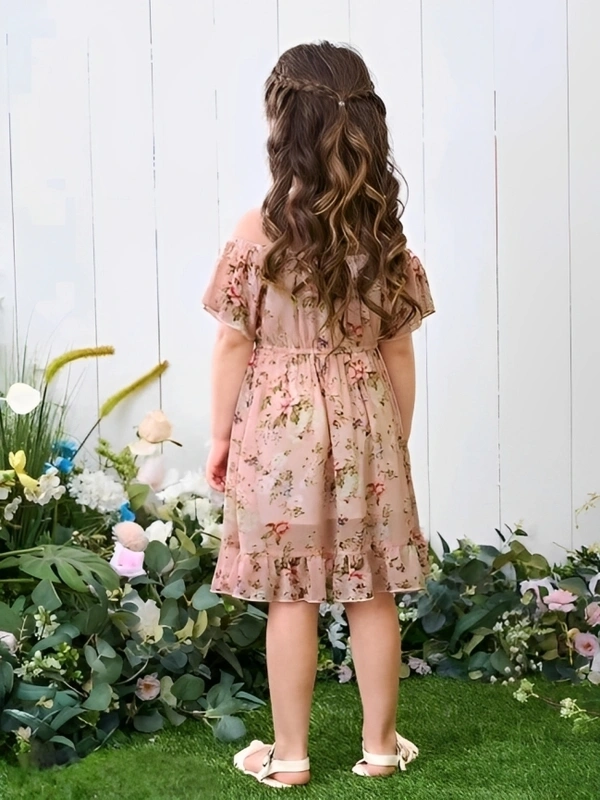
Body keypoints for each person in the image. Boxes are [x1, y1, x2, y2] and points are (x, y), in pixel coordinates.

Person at [202, 41, 435, 790]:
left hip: (278, 429)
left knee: (291, 591)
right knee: (372, 588)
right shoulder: (384, 233)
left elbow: (233, 342)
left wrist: (219, 437)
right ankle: (380, 746)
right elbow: (398, 350)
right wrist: (393, 438)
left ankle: (291, 755)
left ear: (285, 126)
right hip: (368, 422)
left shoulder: (259, 228)